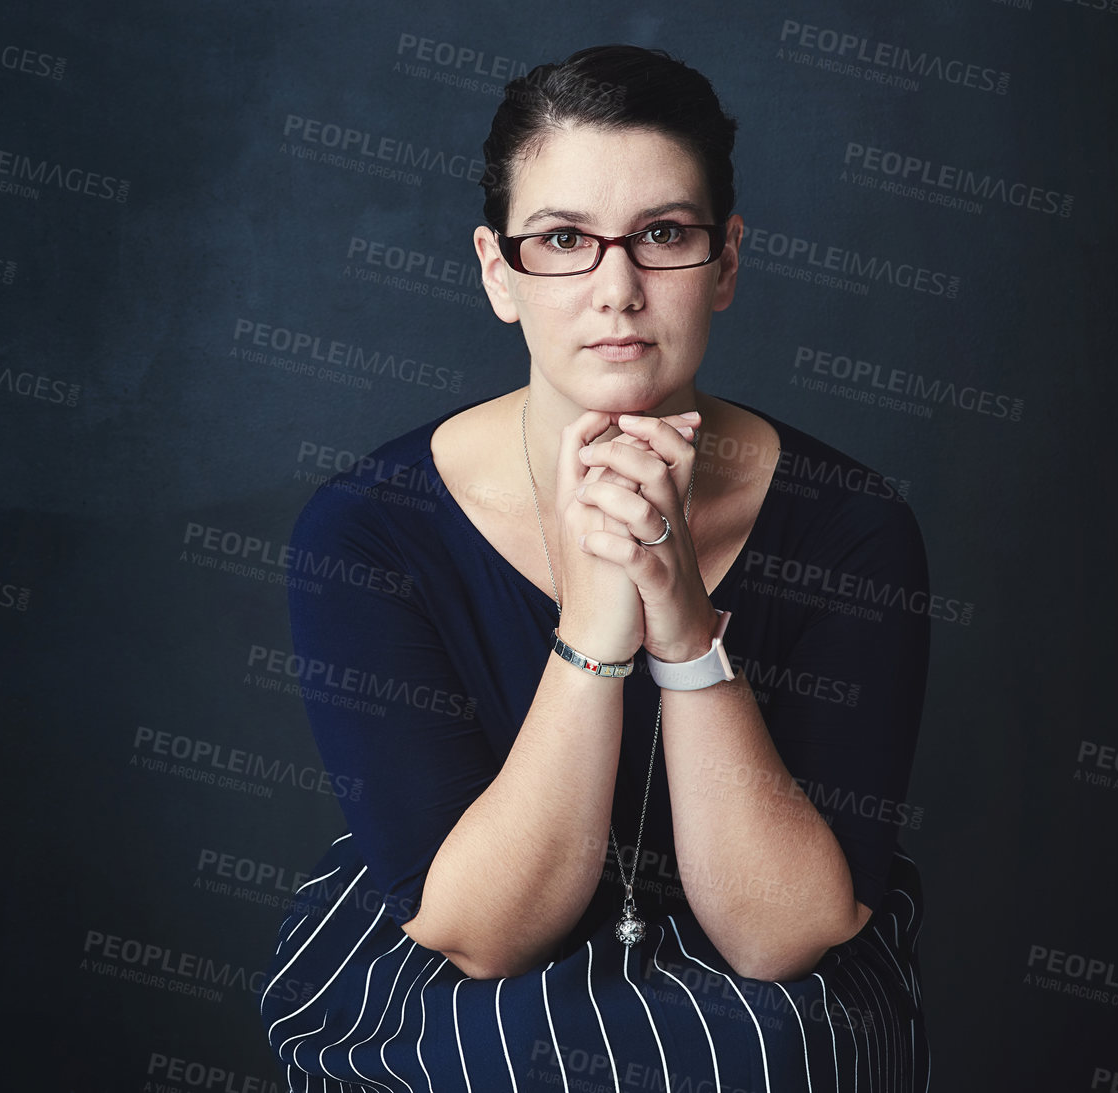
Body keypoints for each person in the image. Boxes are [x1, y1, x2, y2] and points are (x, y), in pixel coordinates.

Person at [260, 44, 931, 1092]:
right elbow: (481, 933)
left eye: (662, 235)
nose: (614, 290)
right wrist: (590, 626)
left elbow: (782, 935)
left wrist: (678, 620)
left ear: (725, 263)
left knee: (774, 1053)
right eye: (563, 239)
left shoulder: (852, 525)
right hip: (475, 923)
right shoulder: (364, 530)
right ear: (498, 271)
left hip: (755, 958)